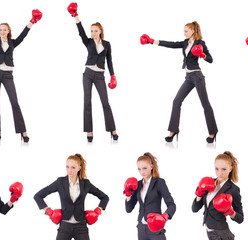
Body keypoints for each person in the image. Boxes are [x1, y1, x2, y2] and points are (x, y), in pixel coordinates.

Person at [141, 21, 218, 143]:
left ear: (193, 31)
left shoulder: (200, 43)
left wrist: (203, 55)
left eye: (186, 31)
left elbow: (211, 59)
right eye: (184, 31)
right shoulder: (185, 43)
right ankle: (173, 130)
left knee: (205, 104)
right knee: (176, 101)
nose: (184, 33)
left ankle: (213, 132)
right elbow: (171, 44)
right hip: (188, 77)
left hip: (197, 76)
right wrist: (152, 41)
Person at [0, 3, 42, 142]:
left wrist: (32, 21)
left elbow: (23, 35)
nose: (2, 31)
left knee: (14, 102)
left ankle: (23, 132)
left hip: (8, 76)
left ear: (8, 31)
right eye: (0, 29)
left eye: (4, 29)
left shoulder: (12, 42)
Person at [67, 2, 119, 142]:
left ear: (100, 31)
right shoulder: (88, 42)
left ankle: (112, 129)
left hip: (100, 75)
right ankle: (89, 131)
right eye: (92, 31)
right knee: (87, 102)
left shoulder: (107, 44)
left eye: (95, 30)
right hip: (88, 74)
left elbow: (109, 61)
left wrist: (113, 76)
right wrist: (75, 16)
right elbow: (80, 31)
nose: (93, 33)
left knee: (105, 102)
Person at [34, 153, 109, 240]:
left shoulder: (86, 183)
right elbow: (38, 196)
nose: (69, 170)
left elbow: (105, 197)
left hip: (81, 226)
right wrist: (48, 211)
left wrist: (98, 211)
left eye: (73, 167)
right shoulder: (60, 182)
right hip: (64, 226)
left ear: (79, 168)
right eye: (67, 167)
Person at [192, 151, 243, 239]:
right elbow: (194, 209)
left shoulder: (233, 189)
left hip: (221, 234)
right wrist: (199, 194)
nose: (219, 173)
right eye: (217, 169)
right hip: (209, 232)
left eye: (224, 169)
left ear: (230, 168)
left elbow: (240, 219)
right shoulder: (208, 183)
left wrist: (230, 212)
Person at [125, 152, 176, 240]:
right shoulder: (137, 184)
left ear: (151, 166)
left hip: (156, 229)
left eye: (144, 168)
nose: (142, 172)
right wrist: (128, 194)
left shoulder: (159, 182)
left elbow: (171, 205)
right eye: (139, 169)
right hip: (141, 229)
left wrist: (164, 216)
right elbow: (128, 209)